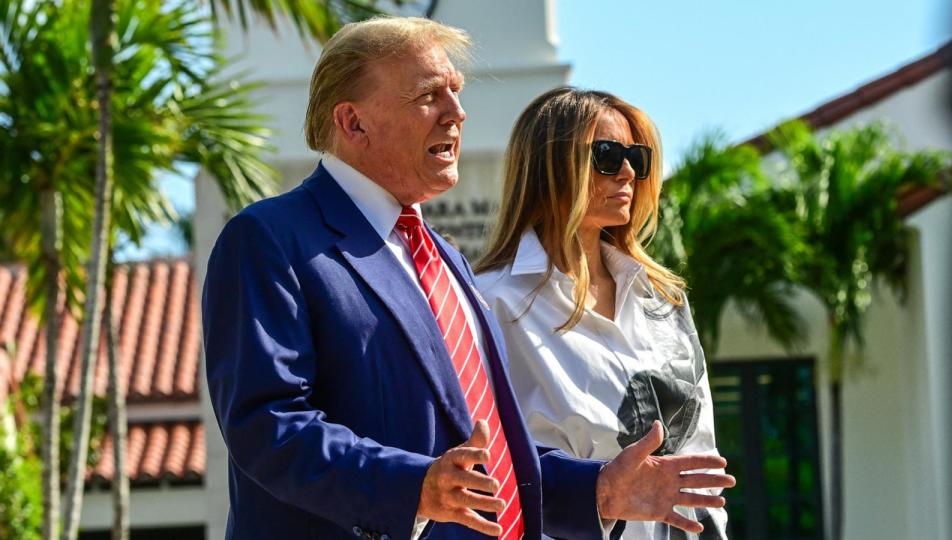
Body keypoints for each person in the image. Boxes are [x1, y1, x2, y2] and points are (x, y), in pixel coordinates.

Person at [202, 18, 735, 540]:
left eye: (456, 92)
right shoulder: (269, 238)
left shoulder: (444, 259)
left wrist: (598, 490)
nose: (457, 112)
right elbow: (267, 425)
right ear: (353, 122)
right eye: (429, 95)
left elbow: (494, 453)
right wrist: (414, 487)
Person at [474, 87, 731, 539]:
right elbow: (482, 466)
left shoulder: (664, 302)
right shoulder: (491, 302)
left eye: (638, 156)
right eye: (607, 155)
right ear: (550, 166)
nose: (629, 171)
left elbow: (700, 451)